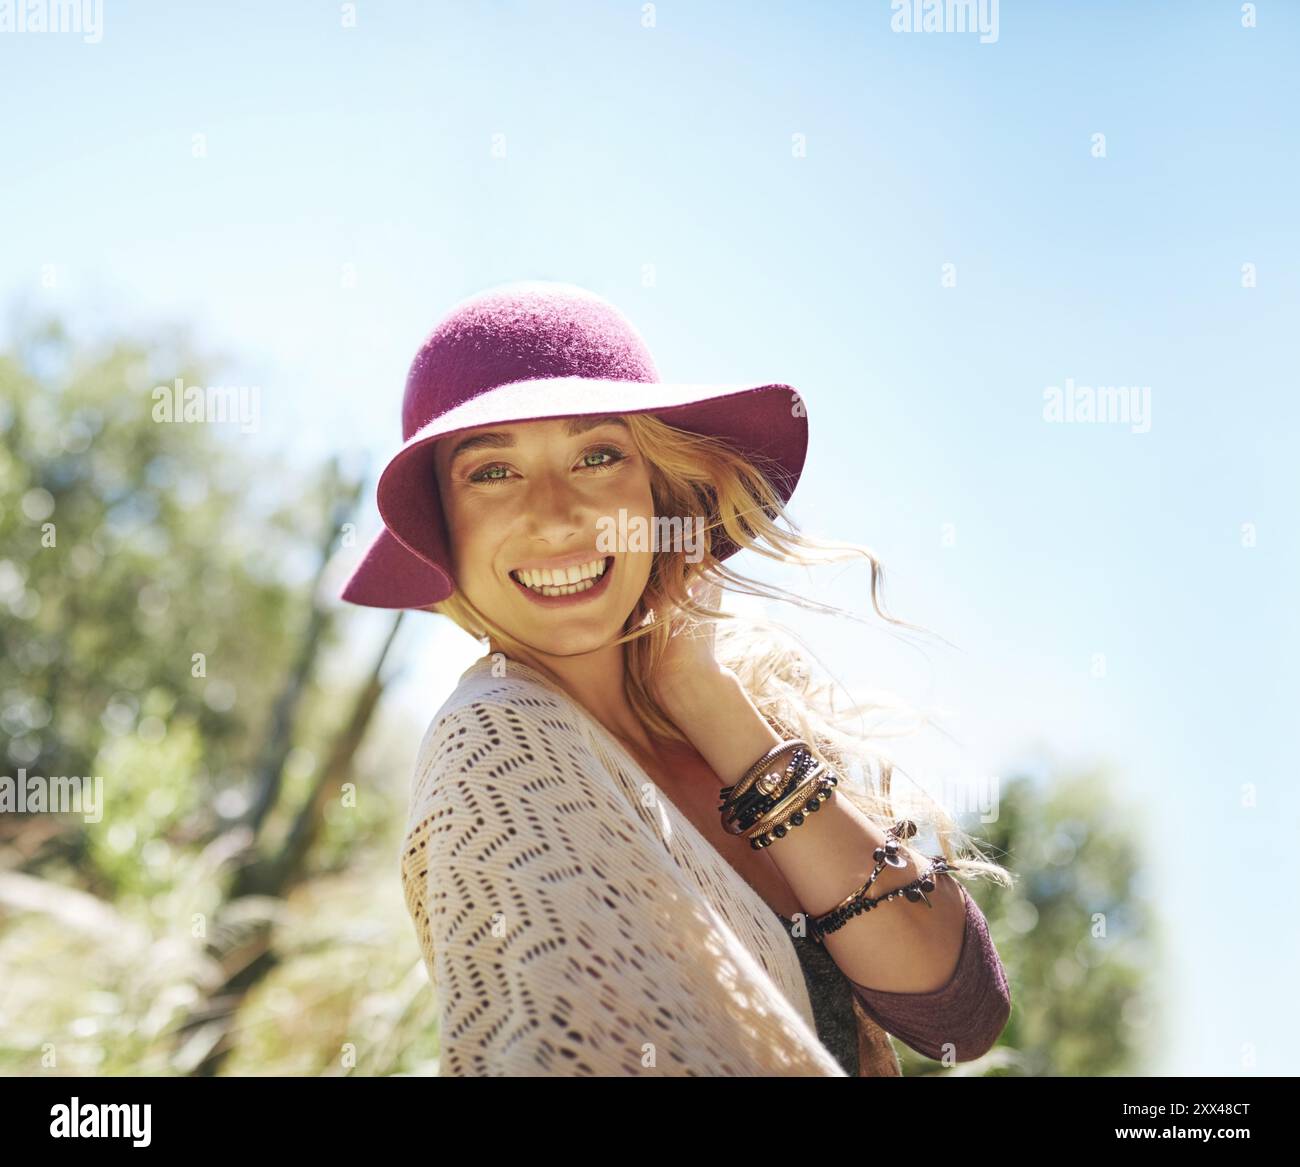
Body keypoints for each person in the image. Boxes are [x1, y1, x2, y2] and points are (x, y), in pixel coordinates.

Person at [340, 280, 1014, 1076]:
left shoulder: (749, 701)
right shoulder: (496, 744)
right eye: (492, 472)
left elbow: (959, 1014)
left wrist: (703, 691)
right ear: (443, 529)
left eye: (597, 456)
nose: (556, 517)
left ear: (658, 491)